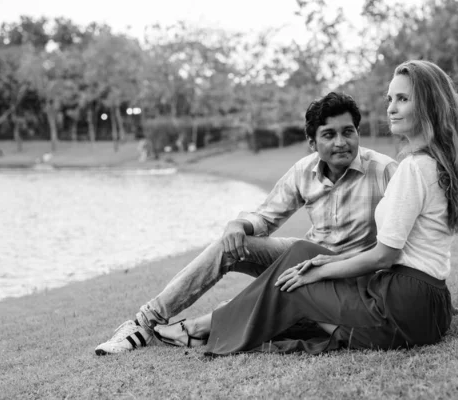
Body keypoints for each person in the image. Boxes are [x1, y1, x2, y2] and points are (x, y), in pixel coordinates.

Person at [153, 59, 458, 355]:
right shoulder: (436, 163)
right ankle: (200, 326)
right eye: (390, 99)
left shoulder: (409, 168)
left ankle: (197, 329)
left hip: (402, 307)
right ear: (314, 143)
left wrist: (319, 270)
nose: (391, 109)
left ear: (428, 104)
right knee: (299, 257)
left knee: (296, 273)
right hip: (427, 303)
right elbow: (427, 249)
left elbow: (386, 256)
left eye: (403, 99)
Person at [95, 92, 398, 355]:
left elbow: (404, 239)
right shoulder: (304, 171)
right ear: (312, 142)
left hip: (350, 273)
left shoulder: (384, 170)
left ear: (358, 132)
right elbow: (266, 216)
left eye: (348, 132)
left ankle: (199, 327)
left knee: (280, 298)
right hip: (304, 257)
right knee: (230, 245)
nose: (341, 142)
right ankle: (144, 323)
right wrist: (238, 226)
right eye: (329, 135)